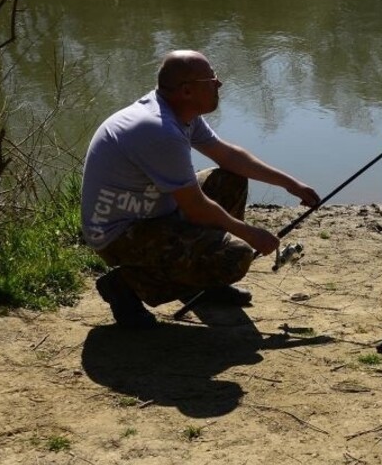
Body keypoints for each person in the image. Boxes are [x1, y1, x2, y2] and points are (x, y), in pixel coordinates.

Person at [81, 50, 320, 328]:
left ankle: (204, 281)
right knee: (236, 256)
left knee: (231, 178)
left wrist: (291, 184)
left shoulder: (181, 112)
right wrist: (250, 234)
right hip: (117, 234)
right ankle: (123, 287)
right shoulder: (161, 130)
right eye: (211, 79)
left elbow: (228, 156)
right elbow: (195, 207)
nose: (219, 84)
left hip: (152, 213)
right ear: (186, 91)